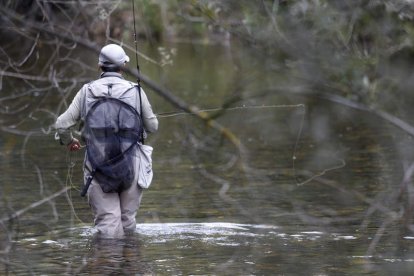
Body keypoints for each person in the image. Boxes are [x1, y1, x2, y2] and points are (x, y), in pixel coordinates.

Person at [55, 44, 158, 238]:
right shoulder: (136, 91)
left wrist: (69, 141)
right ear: (123, 66)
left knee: (108, 227)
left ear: (99, 66)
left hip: (97, 164)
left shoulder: (86, 91)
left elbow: (61, 124)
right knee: (127, 223)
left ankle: (107, 265)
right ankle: (129, 263)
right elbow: (153, 127)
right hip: (132, 164)